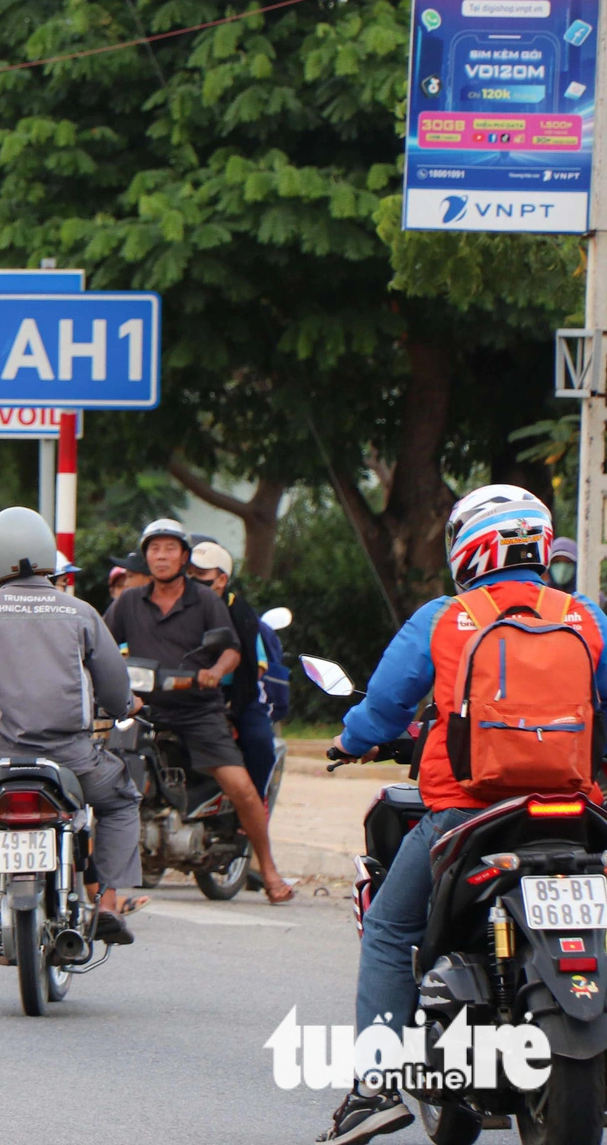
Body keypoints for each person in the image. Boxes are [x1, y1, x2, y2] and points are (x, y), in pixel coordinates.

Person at [313, 484, 607, 1144]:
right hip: (574, 814)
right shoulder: (586, 616)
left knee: (390, 927)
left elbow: (386, 709)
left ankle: (375, 1085)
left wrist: (349, 742)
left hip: (469, 814)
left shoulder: (447, 617)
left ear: (470, 548)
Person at [0, 507, 139, 942]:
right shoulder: (81, 612)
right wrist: (126, 705)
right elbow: (114, 690)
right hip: (73, 758)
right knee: (121, 800)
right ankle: (106, 904)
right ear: (47, 554)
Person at [104, 519, 291, 904]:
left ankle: (269, 870)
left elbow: (232, 650)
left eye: (170, 548)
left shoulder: (205, 600)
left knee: (241, 787)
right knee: (101, 782)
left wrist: (215, 672)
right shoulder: (128, 602)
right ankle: (101, 885)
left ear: (183, 557)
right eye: (154, 549)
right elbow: (101, 646)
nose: (161, 556)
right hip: (143, 710)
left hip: (198, 711)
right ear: (146, 556)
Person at [186, 540, 279, 800]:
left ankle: (253, 804)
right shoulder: (177, 607)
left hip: (238, 695)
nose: (193, 580)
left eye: (201, 574)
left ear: (221, 579)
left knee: (259, 741)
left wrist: (230, 705)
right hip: (184, 694)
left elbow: (257, 666)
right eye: (190, 573)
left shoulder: (242, 615)